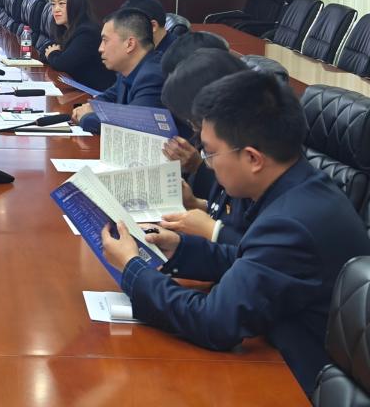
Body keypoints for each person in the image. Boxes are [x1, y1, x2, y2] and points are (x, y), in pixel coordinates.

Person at [100, 70, 370, 397]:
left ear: (253, 158)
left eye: (211, 153)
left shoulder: (292, 222)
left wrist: (134, 270)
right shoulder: (301, 188)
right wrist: (179, 249)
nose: (208, 164)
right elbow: (253, 260)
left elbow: (214, 322)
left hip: (296, 382)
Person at [158, 47, 251, 245]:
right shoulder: (230, 142)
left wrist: (213, 230)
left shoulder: (248, 154)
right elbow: (231, 213)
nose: (194, 129)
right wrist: (196, 204)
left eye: (194, 121)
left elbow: (261, 248)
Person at [72, 8, 165, 134]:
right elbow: (108, 98)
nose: (100, 48)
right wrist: (91, 107)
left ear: (130, 44)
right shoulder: (127, 70)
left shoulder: (153, 76)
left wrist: (85, 117)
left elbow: (132, 126)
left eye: (105, 40)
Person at [39, 0, 115, 91]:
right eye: (53, 4)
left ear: (76, 5)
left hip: (94, 93)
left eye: (61, 4)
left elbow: (63, 63)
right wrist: (52, 54)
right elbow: (44, 50)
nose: (56, 9)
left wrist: (52, 54)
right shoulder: (64, 28)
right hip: (77, 88)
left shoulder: (87, 32)